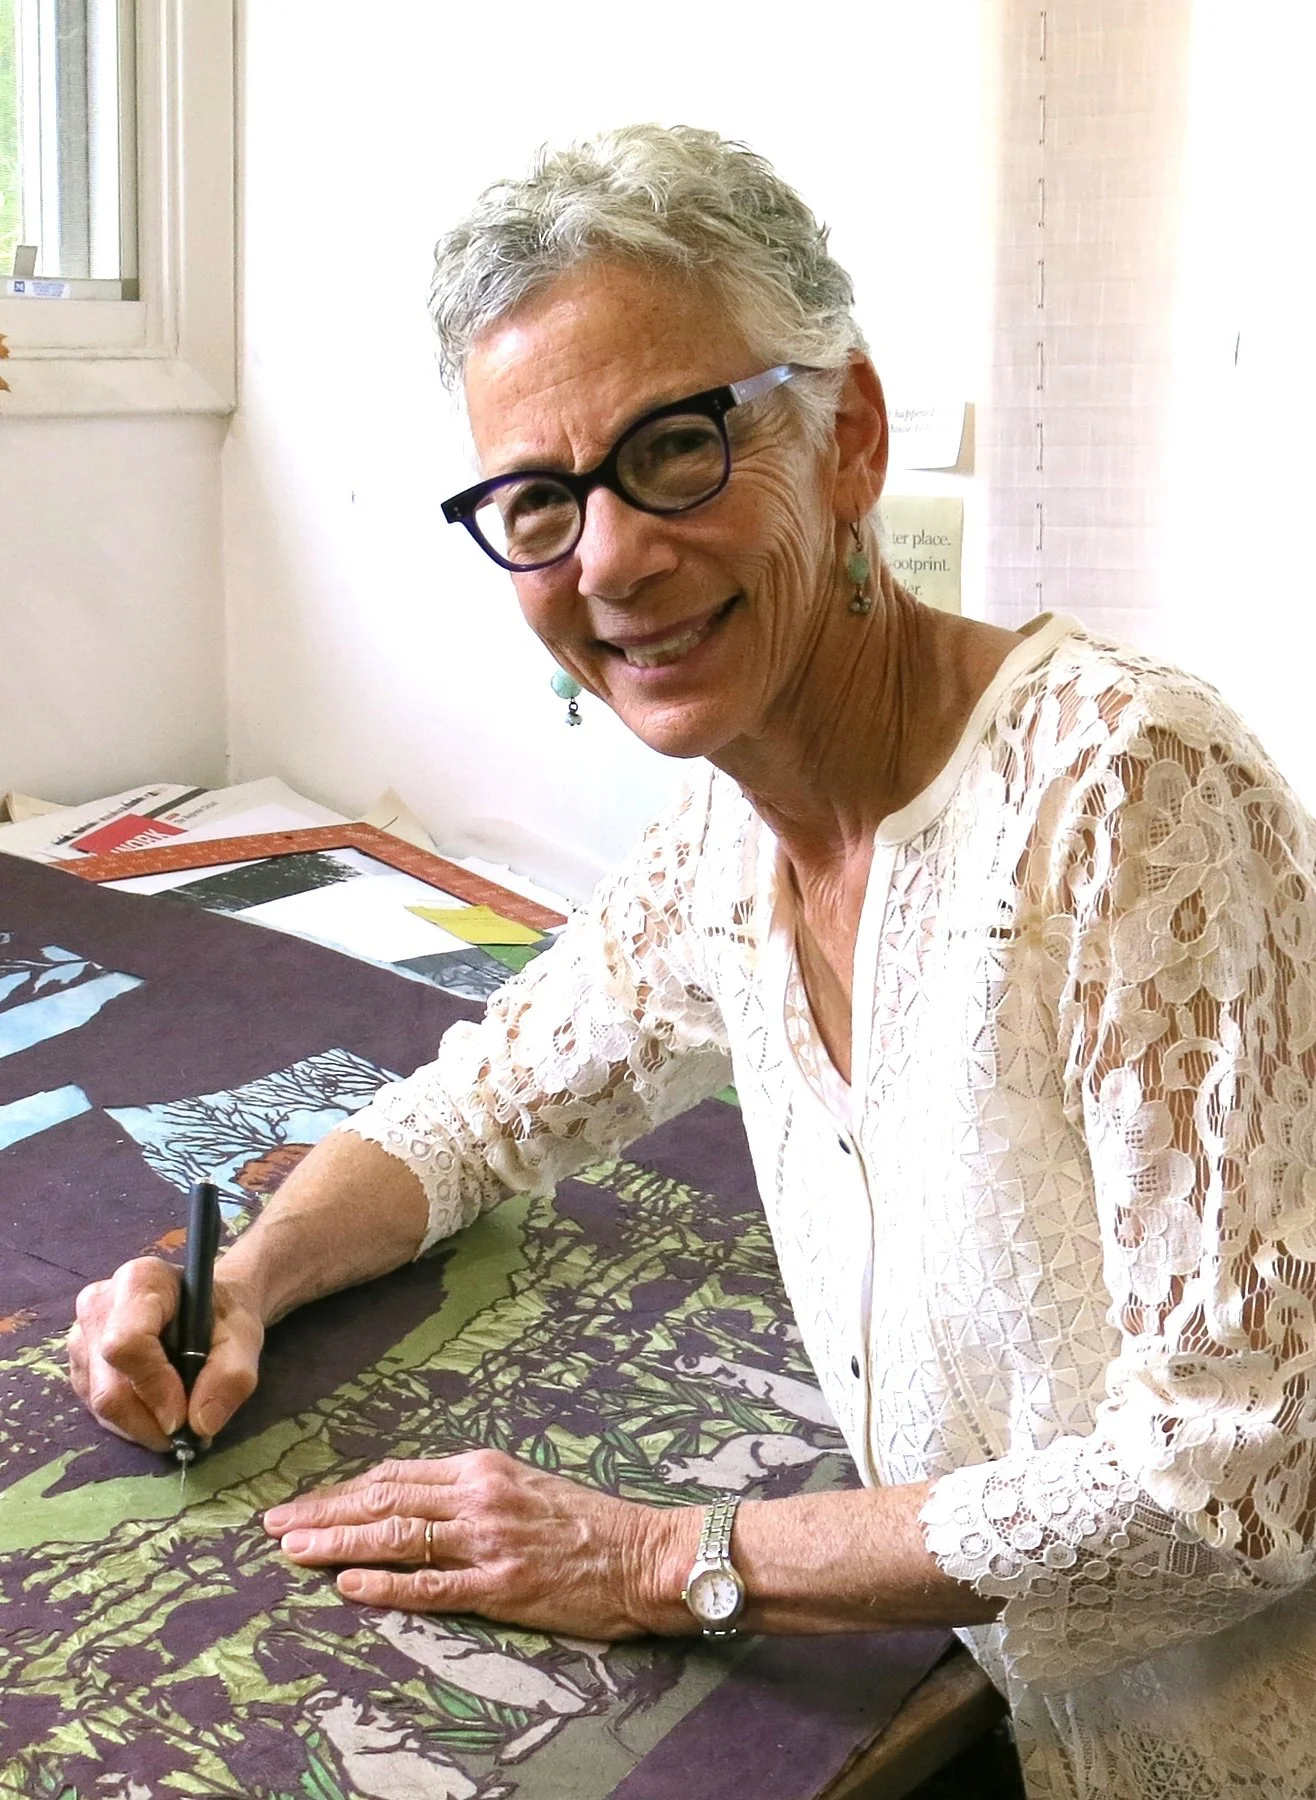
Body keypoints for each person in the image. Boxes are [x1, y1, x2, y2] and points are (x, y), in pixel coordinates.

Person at [68, 124, 1316, 1800]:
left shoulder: (1119, 790)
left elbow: (1233, 1483)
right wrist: (246, 1278)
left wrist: (666, 1557)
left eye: (674, 450)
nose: (609, 561)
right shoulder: (731, 844)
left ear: (848, 435)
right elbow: (482, 1107)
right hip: (1019, 1717)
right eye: (536, 500)